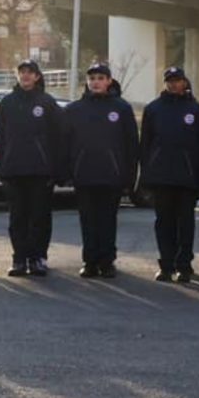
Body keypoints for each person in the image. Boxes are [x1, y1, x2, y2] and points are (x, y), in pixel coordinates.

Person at [138, 64, 199, 282]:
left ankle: (184, 265)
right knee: (164, 223)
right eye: (169, 80)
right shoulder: (154, 109)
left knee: (185, 224)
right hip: (161, 178)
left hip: (187, 178)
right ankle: (166, 265)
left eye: (177, 80)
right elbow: (146, 146)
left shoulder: (195, 110)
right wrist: (146, 177)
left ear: (184, 82)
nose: (173, 83)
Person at [63, 61, 137, 278]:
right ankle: (90, 261)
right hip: (84, 174)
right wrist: (67, 171)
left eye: (100, 78)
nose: (96, 82)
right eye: (92, 78)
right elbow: (65, 143)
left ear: (109, 81)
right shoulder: (74, 109)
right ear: (87, 82)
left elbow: (131, 144)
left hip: (111, 175)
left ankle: (107, 261)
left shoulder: (121, 108)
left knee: (108, 219)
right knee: (88, 220)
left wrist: (130, 176)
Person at [0, 58, 63, 278]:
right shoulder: (7, 103)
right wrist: (1, 169)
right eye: (21, 72)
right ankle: (19, 258)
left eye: (29, 72)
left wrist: (56, 169)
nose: (25, 76)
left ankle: (38, 258)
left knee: (40, 217)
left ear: (37, 76)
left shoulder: (47, 102)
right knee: (17, 218)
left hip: (41, 171)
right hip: (14, 170)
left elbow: (57, 139)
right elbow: (1, 140)